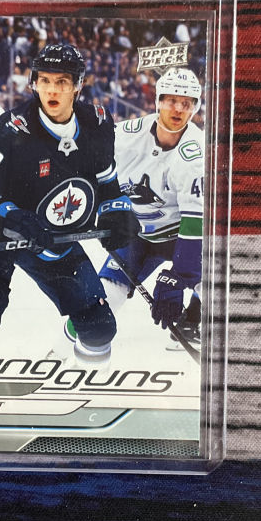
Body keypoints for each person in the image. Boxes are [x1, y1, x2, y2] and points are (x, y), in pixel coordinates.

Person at [0, 43, 140, 369]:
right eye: (45, 80)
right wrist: (11, 218)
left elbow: (107, 184)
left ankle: (89, 388)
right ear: (34, 83)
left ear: (78, 85)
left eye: (62, 82)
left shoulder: (97, 124)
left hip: (50, 235)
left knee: (99, 326)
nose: (52, 90)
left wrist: (118, 211)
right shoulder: (8, 130)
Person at [80, 66, 205, 350]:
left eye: (186, 103)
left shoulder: (196, 154)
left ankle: (193, 320)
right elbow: (87, 163)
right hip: (136, 232)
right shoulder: (126, 135)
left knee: (218, 282)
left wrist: (179, 278)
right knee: (103, 296)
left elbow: (195, 223)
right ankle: (63, 347)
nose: (178, 109)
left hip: (179, 236)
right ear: (158, 101)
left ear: (194, 108)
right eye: (171, 100)